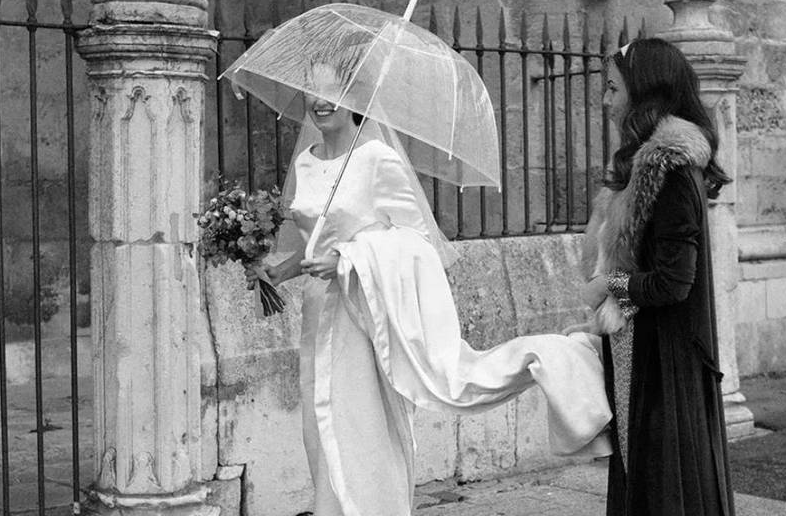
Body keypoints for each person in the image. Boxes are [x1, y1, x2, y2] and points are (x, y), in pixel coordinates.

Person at [245, 60, 612, 516]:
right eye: (311, 91)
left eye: (331, 91)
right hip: (320, 311)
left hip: (369, 313)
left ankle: (564, 357)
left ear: (356, 97)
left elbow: (417, 241)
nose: (319, 102)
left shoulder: (377, 159)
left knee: (361, 426)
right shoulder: (305, 161)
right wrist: (279, 271)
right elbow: (313, 245)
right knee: (320, 426)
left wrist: (349, 258)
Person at [575, 38, 735, 516]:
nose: (605, 101)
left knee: (665, 484)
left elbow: (673, 282)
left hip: (665, 358)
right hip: (638, 350)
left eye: (612, 88)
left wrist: (610, 287)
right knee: (641, 478)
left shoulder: (670, 166)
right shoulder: (637, 164)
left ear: (642, 92)